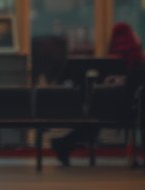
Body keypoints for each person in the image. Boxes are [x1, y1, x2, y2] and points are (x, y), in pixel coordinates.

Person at [52, 21, 145, 166]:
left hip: (112, 102)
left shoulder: (113, 55)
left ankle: (63, 143)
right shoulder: (136, 56)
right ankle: (63, 143)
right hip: (130, 104)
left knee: (93, 120)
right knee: (94, 122)